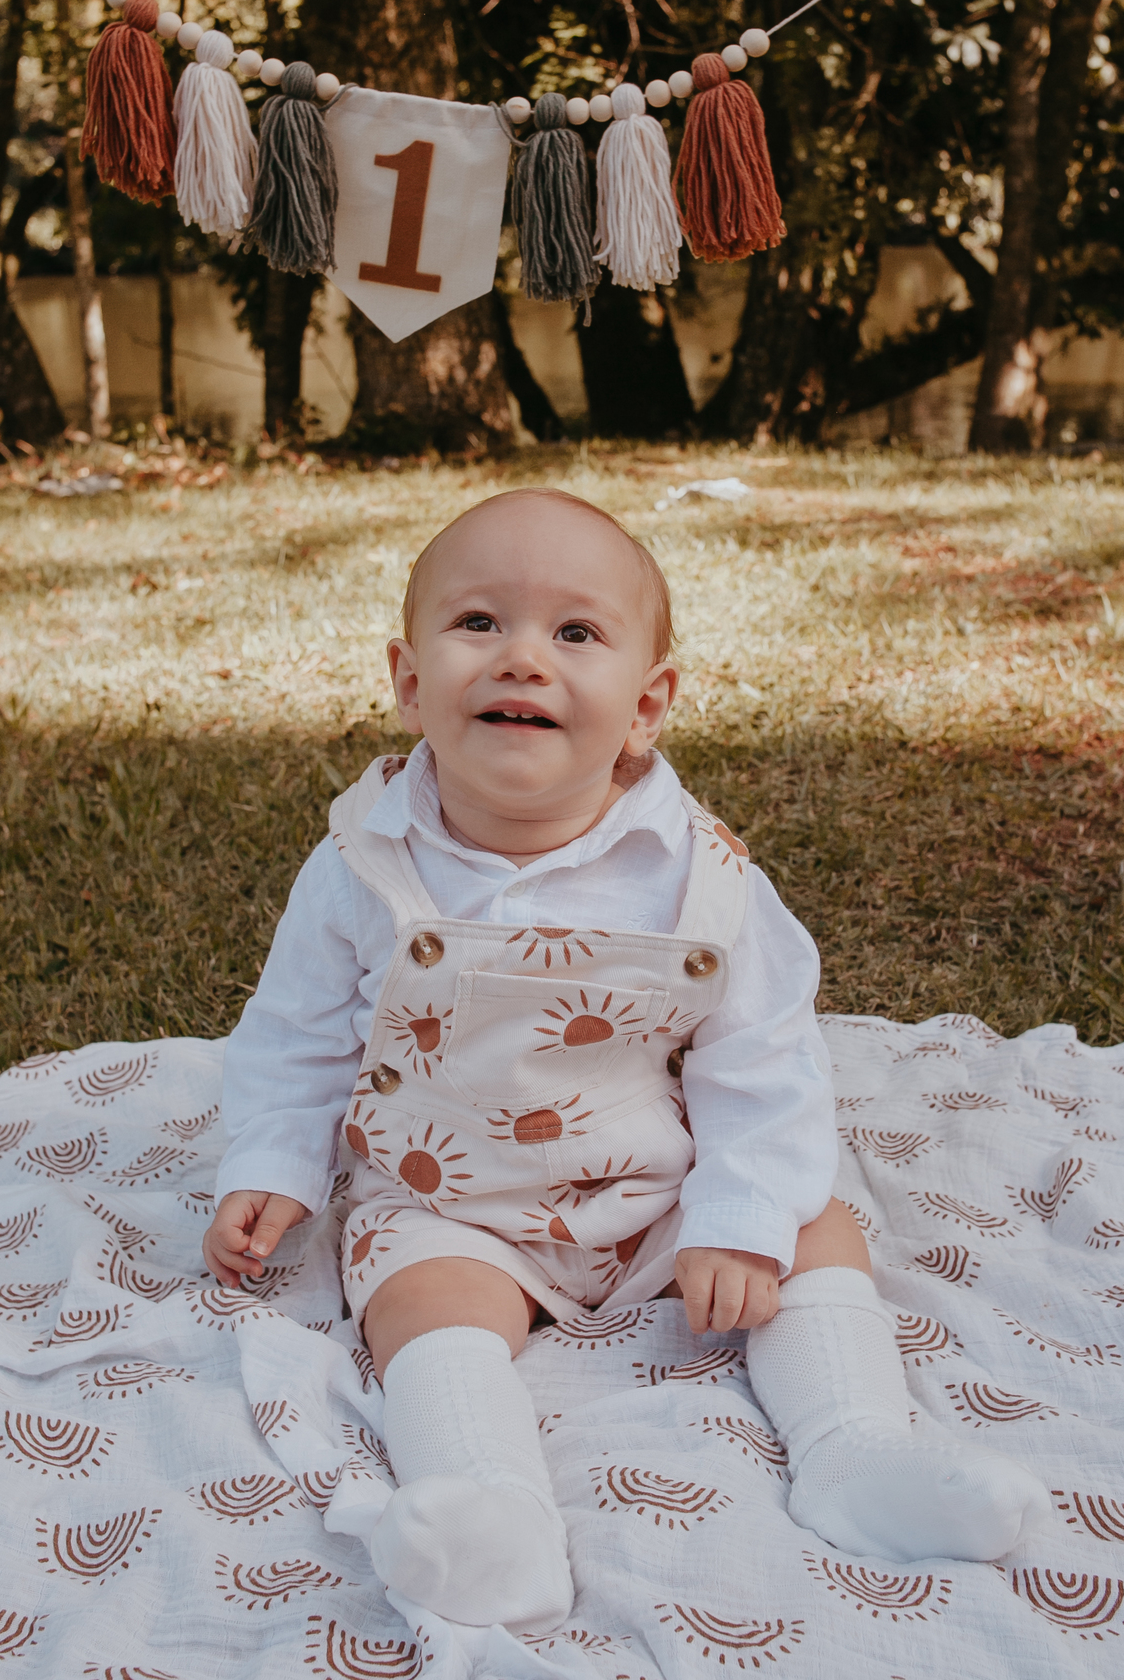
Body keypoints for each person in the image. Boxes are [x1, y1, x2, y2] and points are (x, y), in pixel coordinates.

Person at [205, 488, 1048, 1633]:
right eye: (478, 623)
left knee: (813, 1222)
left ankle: (857, 1447)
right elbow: (296, 1034)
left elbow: (763, 1061)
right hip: (455, 1198)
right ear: (408, 680)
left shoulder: (700, 877)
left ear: (648, 704)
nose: (521, 659)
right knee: (415, 1292)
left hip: (657, 1190)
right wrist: (273, 1164)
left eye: (576, 633)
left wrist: (738, 1213)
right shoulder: (361, 862)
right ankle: (492, 1516)